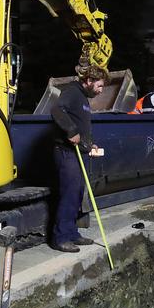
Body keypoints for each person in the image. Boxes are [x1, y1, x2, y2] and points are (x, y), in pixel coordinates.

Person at [49, 65, 108, 253]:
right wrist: (70, 130)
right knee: (69, 194)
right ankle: (60, 238)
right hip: (66, 152)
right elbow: (57, 110)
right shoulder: (72, 92)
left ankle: (72, 233)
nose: (101, 91)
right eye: (99, 86)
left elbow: (81, 127)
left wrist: (89, 145)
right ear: (89, 81)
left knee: (76, 194)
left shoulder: (83, 98)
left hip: (77, 153)